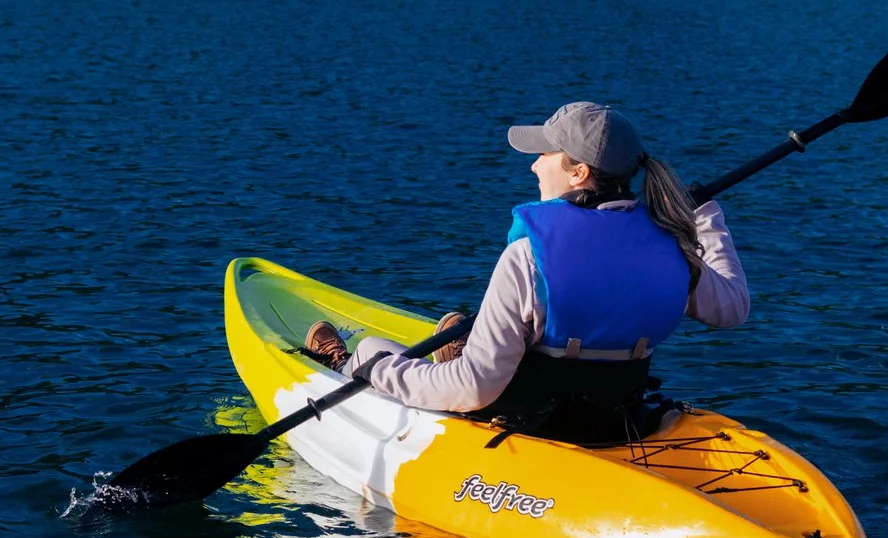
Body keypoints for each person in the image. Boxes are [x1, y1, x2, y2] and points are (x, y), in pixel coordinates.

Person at [301, 101, 748, 445]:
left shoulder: (528, 257)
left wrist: (376, 368)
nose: (534, 164)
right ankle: (458, 346)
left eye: (545, 154)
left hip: (528, 419)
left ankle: (345, 362)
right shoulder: (674, 246)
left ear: (579, 172)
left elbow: (473, 389)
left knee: (376, 348)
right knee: (467, 341)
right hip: (619, 419)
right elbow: (731, 309)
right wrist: (705, 217)